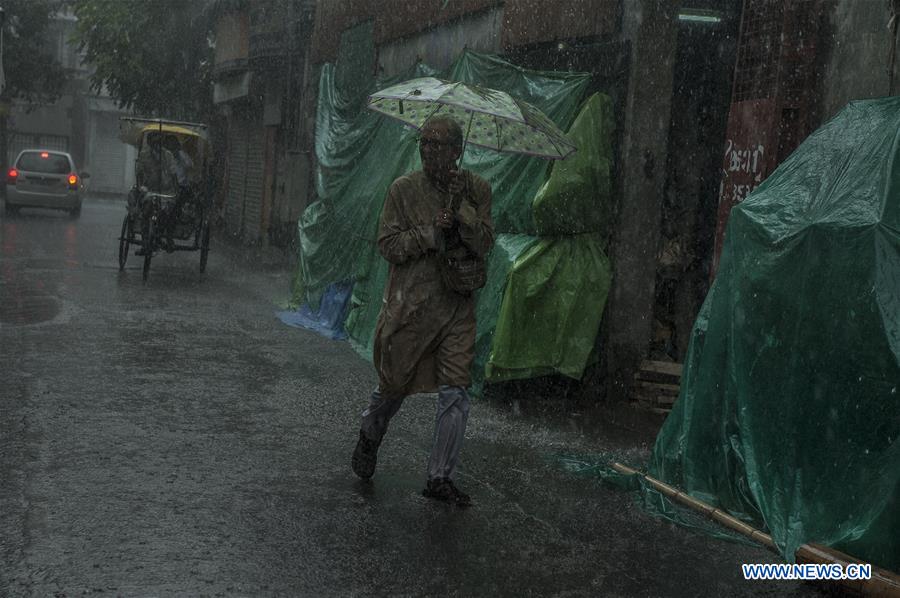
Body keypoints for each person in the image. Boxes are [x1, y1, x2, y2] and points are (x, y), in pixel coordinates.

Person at [350, 115, 494, 507]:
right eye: (424, 143)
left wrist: (462, 215)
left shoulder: (477, 190)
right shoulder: (403, 190)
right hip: (412, 306)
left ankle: (440, 476)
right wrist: (430, 233)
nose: (429, 150)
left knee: (456, 389)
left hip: (458, 305)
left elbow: (484, 243)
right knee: (393, 385)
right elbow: (387, 244)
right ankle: (370, 433)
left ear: (457, 151)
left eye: (438, 144)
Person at [133, 132, 178, 256]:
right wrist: (141, 187)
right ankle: (144, 243)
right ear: (150, 143)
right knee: (145, 213)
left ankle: (165, 237)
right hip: (149, 191)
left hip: (166, 191)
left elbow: (173, 174)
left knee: (168, 213)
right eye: (154, 142)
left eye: (158, 142)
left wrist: (176, 190)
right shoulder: (144, 155)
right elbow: (140, 174)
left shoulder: (167, 156)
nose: (156, 145)